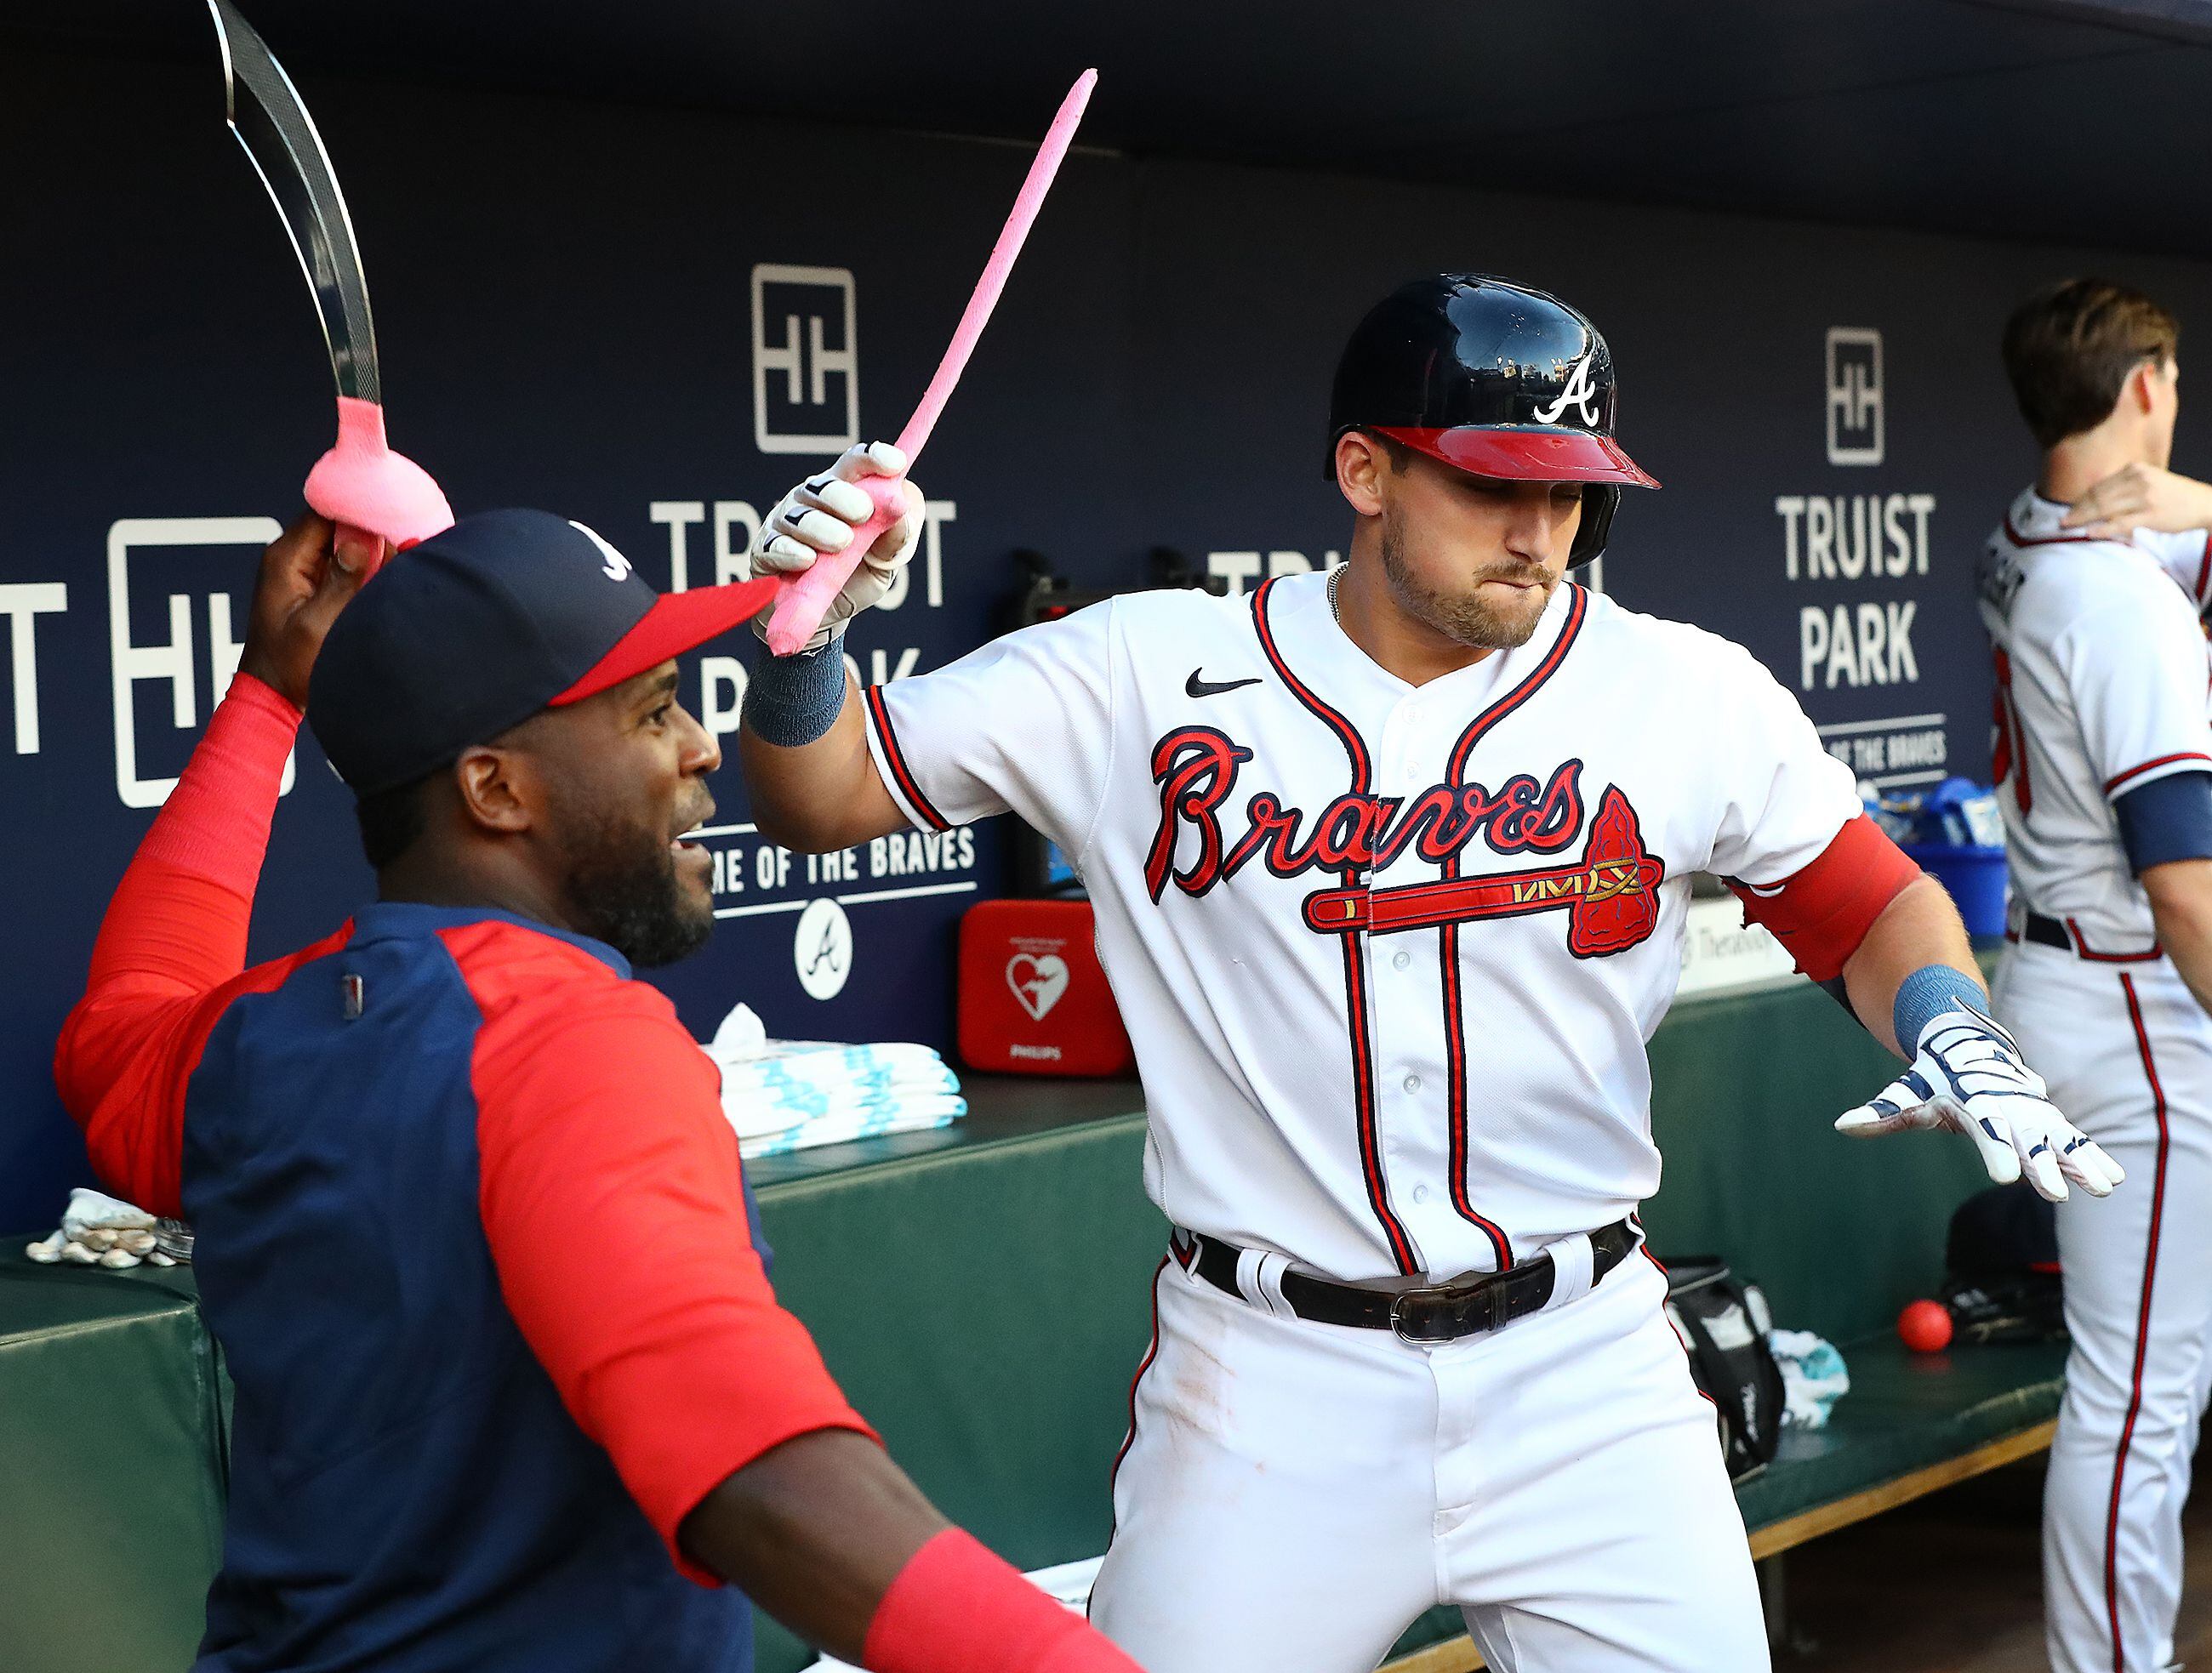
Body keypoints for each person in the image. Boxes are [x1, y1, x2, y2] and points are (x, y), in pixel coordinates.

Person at [737, 273, 2120, 1673]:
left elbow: (1869, 901)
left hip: (1586, 1369)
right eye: (1493, 486)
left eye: (1574, 493)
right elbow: (824, 796)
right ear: (1365, 472)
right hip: (1268, 1386)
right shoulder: (1143, 672)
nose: (1541, 534)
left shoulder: (1678, 688)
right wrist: (811, 638)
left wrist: (1952, 1019)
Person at [54, 510, 1143, 1673]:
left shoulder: (255, 1038)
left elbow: (121, 1022)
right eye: (653, 710)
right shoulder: (564, 1042)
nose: (702, 747)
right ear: (494, 788)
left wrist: (270, 688)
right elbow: (757, 1473)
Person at [1981, 276, 2212, 1673]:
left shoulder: (2024, 534)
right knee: (2140, 1398)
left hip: (2050, 975)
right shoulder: (2114, 601)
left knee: (2129, 1385)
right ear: (2140, 394)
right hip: (2134, 1002)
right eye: (2170, 383)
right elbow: (2184, 885)